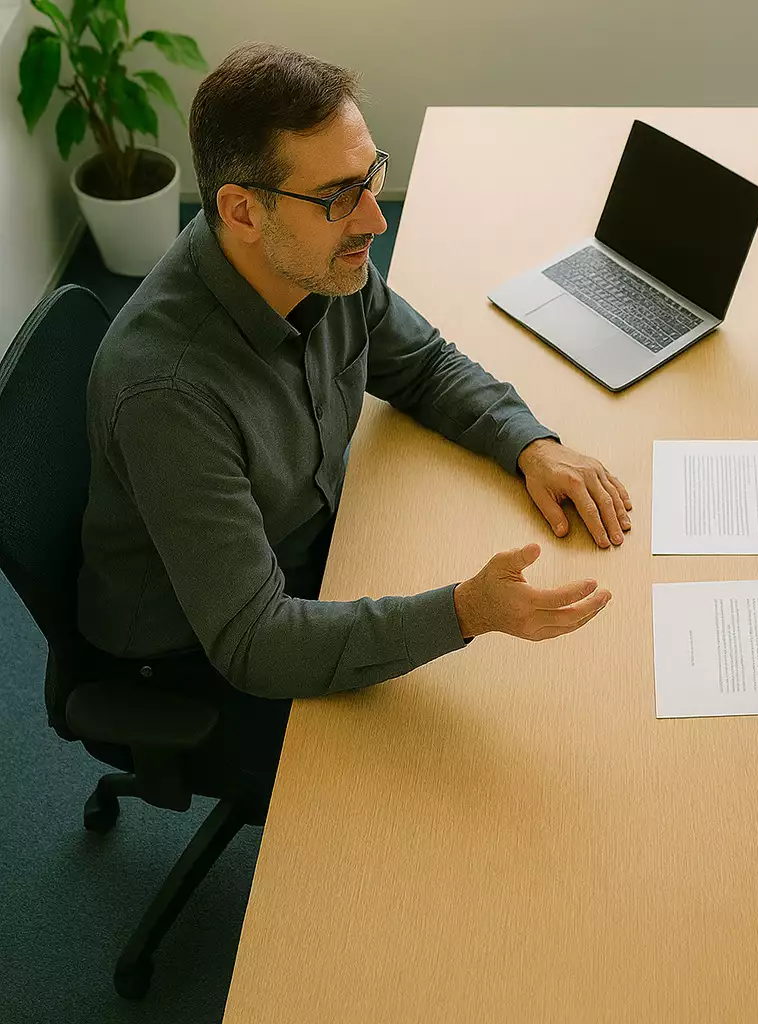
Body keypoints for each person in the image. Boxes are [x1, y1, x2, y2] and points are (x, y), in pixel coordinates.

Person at [76, 43, 627, 792]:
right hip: (190, 665)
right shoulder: (170, 394)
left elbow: (423, 364)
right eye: (339, 194)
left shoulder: (316, 260)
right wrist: (464, 611)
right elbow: (254, 642)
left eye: (372, 177)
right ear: (242, 211)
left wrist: (528, 443)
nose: (373, 217)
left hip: (310, 552)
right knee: (461, 781)